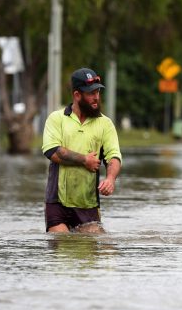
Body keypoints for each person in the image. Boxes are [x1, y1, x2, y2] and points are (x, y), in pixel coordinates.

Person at [42, 67, 122, 233]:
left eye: (98, 92)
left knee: (97, 249)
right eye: (91, 93)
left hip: (88, 204)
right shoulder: (56, 119)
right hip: (57, 202)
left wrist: (110, 179)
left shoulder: (105, 124)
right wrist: (84, 160)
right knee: (61, 245)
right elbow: (53, 152)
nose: (96, 98)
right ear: (77, 95)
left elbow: (113, 156)